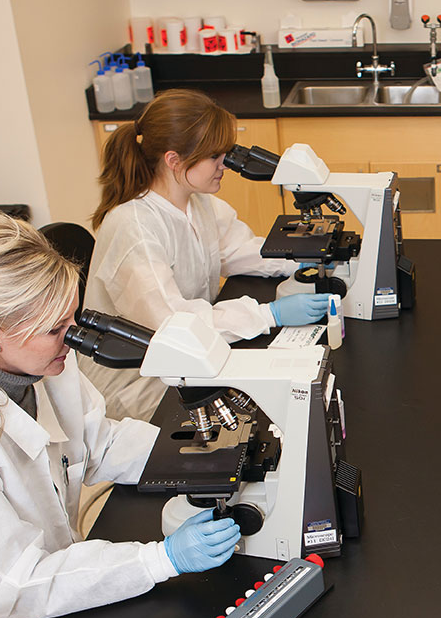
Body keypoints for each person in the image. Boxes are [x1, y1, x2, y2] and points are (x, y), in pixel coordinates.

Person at [0, 209, 241, 618]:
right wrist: (160, 558)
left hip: (64, 592)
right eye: (55, 329)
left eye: (74, 321)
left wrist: (200, 453)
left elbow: (98, 441)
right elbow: (14, 582)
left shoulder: (45, 361)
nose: (74, 339)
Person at [83, 88, 329, 421]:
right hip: (140, 382)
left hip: (191, 355)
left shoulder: (196, 203)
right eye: (214, 156)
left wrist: (302, 256)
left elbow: (237, 250)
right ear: (174, 160)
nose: (223, 165)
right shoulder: (135, 228)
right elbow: (174, 326)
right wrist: (269, 314)